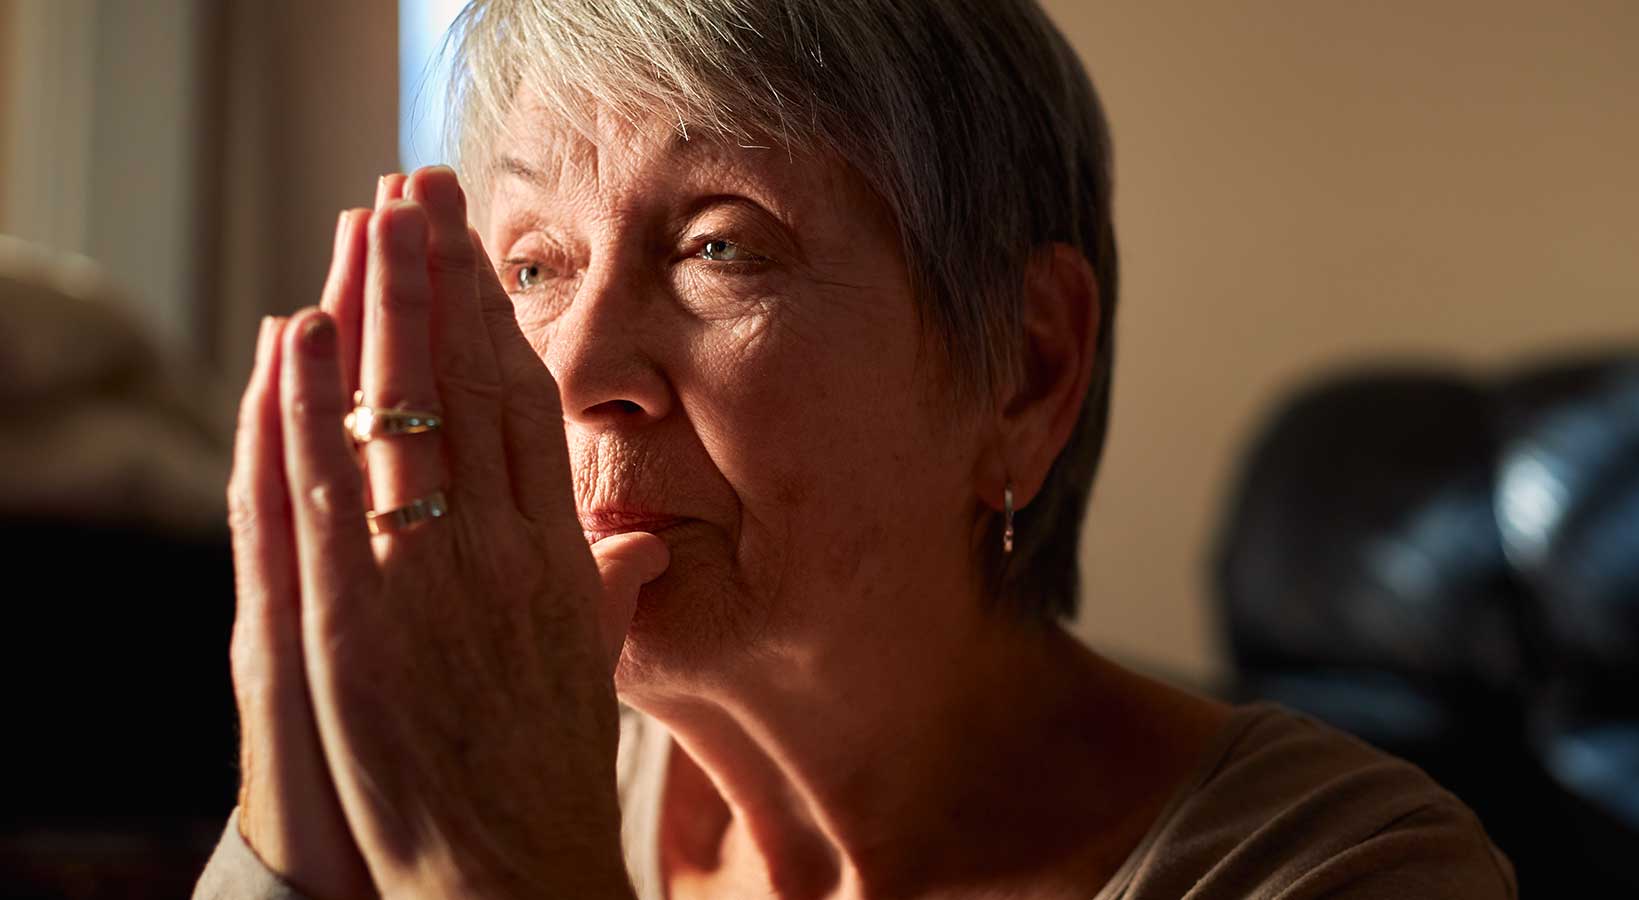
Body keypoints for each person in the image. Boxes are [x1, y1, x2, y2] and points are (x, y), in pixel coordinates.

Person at [195, 1, 1517, 897]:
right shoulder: (479, 739)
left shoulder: (1344, 868)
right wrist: (294, 820)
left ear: (1025, 366)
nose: (582, 371)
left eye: (719, 246)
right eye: (535, 264)